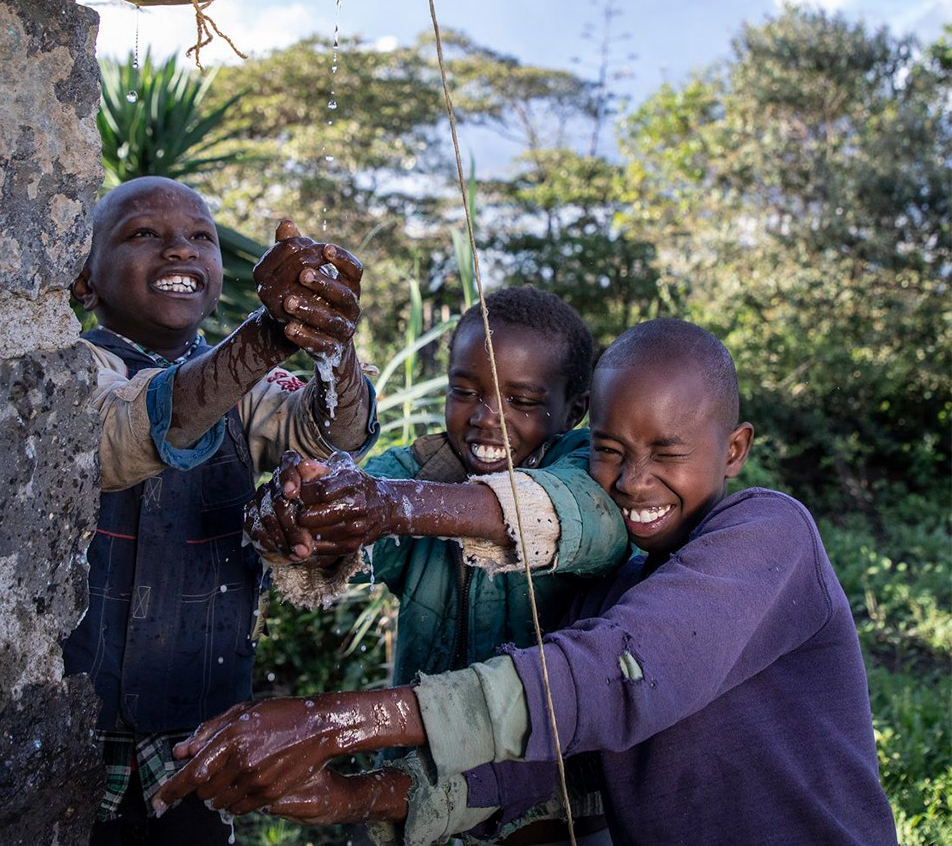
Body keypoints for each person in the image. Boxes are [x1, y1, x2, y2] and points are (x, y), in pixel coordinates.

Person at [153, 318, 898, 846]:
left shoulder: (772, 533)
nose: (633, 479)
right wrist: (345, 794)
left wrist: (327, 719)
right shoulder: (612, 590)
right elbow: (533, 764)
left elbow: (609, 676)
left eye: (666, 451)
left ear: (733, 449)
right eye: (612, 449)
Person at [62, 176, 379, 845]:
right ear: (85, 279)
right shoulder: (65, 368)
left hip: (197, 736)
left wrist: (330, 342)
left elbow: (332, 433)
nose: (180, 250)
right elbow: (130, 432)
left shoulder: (252, 390)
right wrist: (267, 334)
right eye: (143, 234)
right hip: (69, 728)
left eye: (200, 237)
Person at [255, 288, 628, 698]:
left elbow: (579, 513)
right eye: (465, 393)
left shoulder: (586, 461)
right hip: (416, 758)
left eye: (521, 401)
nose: (487, 418)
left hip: (545, 756)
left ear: (574, 411)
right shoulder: (422, 468)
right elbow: (350, 529)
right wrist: (307, 509)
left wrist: (393, 506)